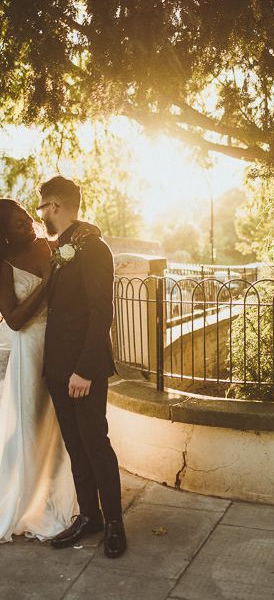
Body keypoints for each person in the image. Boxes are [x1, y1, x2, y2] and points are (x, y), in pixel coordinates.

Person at [36, 176, 126, 558]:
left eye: (42, 209)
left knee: (95, 444)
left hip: (81, 369)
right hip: (57, 367)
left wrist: (85, 370)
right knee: (75, 445)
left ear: (54, 205)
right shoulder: (63, 247)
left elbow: (100, 310)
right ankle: (89, 515)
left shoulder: (94, 248)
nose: (41, 217)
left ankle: (115, 524)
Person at [0, 199, 78, 542]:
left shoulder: (53, 246)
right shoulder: (5, 266)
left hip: (63, 344)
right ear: (3, 233)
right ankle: (24, 499)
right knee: (30, 427)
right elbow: (14, 320)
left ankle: (65, 499)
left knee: (64, 427)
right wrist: (46, 282)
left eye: (25, 216)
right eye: (16, 223)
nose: (27, 223)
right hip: (31, 350)